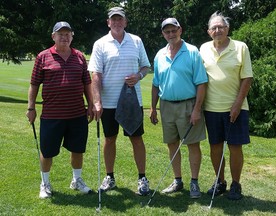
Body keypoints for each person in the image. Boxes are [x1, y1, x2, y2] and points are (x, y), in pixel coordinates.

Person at [26, 21, 94, 199]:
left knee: (77, 149)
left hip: (77, 113)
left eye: (67, 34)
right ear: (53, 36)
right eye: (60, 34)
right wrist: (31, 107)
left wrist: (91, 105)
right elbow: (34, 85)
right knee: (47, 151)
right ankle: (45, 183)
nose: (64, 37)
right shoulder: (43, 56)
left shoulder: (79, 56)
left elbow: (87, 83)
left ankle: (76, 180)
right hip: (51, 115)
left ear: (72, 36)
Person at [88, 7, 151, 196]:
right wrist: (97, 102)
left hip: (132, 101)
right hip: (108, 102)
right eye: (113, 19)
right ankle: (110, 177)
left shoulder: (136, 41)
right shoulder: (100, 44)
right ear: (108, 22)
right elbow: (96, 75)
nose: (116, 22)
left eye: (120, 19)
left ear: (125, 22)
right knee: (109, 139)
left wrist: (138, 75)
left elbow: (146, 66)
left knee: (136, 138)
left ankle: (142, 178)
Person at [150, 18, 208, 198]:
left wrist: (197, 109)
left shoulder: (192, 52)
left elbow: (201, 83)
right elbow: (155, 83)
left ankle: (194, 182)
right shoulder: (160, 54)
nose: (170, 34)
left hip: (188, 105)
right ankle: (178, 180)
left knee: (192, 144)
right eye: (167, 31)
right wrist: (153, 108)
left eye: (173, 30)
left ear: (180, 30)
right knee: (172, 144)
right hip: (166, 106)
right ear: (163, 34)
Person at [200, 12, 253, 200]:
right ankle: (220, 182)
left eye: (220, 27)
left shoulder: (240, 47)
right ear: (208, 31)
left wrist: (238, 104)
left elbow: (247, 77)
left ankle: (236, 184)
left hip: (235, 108)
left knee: (235, 147)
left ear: (227, 29)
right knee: (215, 147)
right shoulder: (204, 49)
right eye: (213, 28)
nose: (217, 30)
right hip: (211, 108)